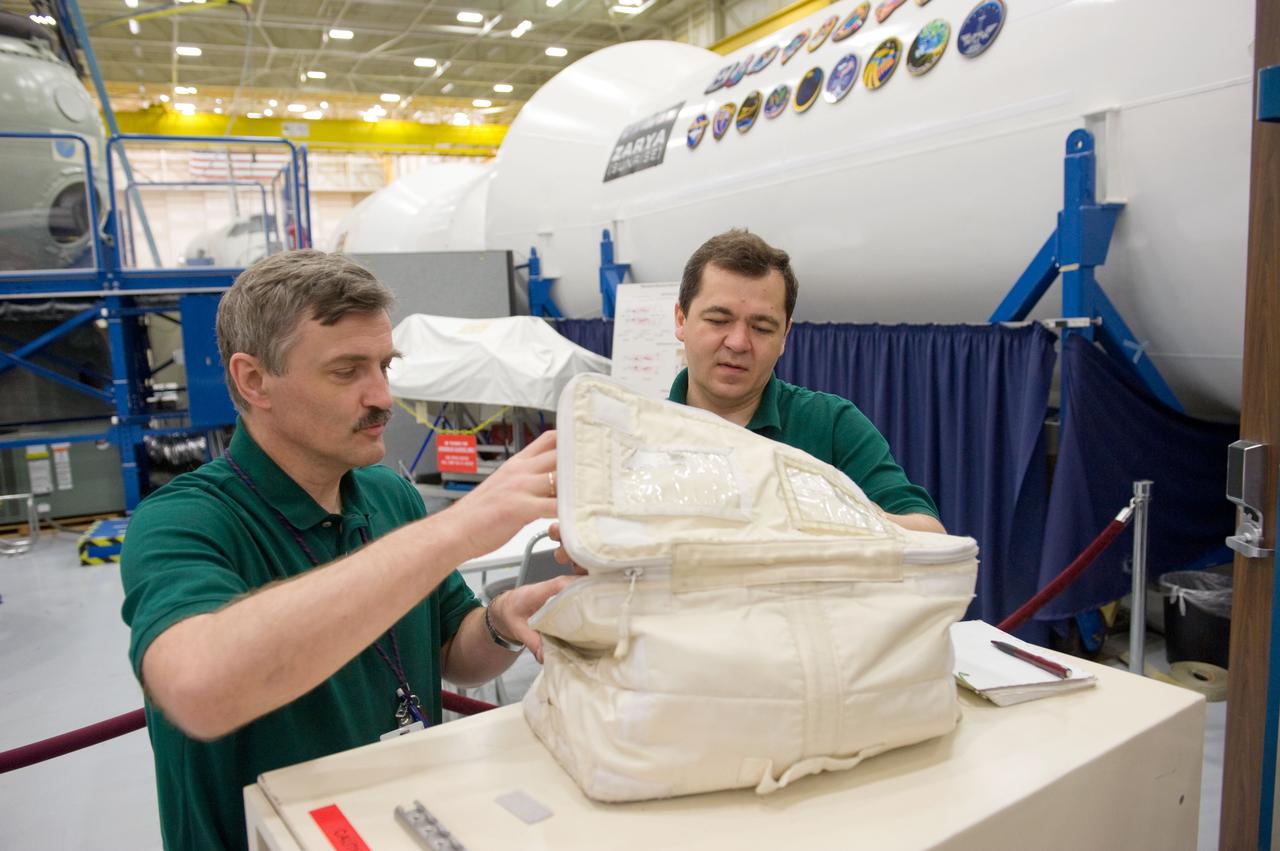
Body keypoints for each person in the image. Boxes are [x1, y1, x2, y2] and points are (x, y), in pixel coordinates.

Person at [120, 250, 569, 850]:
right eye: (346, 371)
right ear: (254, 381)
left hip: (406, 826)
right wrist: (458, 528)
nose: (382, 396)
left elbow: (451, 653)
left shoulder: (389, 497)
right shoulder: (184, 521)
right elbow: (199, 690)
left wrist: (501, 622)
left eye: (385, 365)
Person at [671, 229, 945, 533]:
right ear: (681, 320)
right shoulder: (638, 434)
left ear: (785, 337)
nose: (738, 342)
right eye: (718, 321)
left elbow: (930, 533)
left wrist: (827, 511)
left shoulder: (831, 425)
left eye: (761, 327)